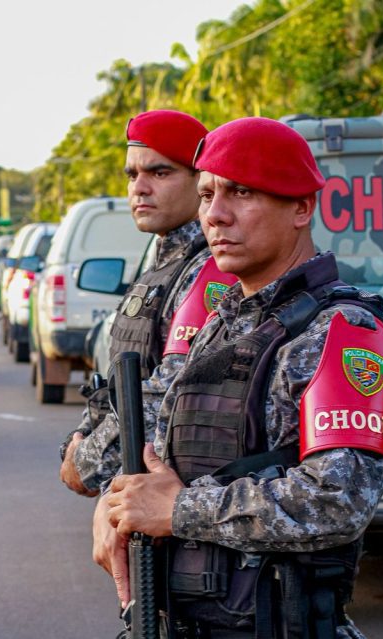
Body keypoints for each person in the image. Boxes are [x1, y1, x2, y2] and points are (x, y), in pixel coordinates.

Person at [96, 117, 383, 638]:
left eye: (242, 193)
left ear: (301, 208)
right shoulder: (227, 320)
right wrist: (119, 503)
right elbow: (167, 451)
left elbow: (337, 502)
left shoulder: (342, 330)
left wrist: (178, 509)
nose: (216, 215)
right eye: (206, 193)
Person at [59, 110, 237, 497]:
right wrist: (80, 435)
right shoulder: (164, 260)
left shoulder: (210, 268)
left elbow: (168, 389)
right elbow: (120, 380)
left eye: (159, 173)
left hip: (182, 494)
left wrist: (86, 460)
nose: (139, 188)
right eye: (132, 175)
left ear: (200, 180)